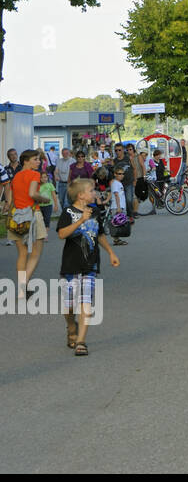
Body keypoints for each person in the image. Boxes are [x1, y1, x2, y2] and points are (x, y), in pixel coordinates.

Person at [57, 177, 120, 356]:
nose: (95, 193)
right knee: (68, 306)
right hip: (70, 265)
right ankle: (71, 327)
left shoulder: (95, 211)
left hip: (90, 264)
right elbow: (62, 234)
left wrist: (110, 252)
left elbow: (99, 235)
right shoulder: (68, 212)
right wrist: (80, 221)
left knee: (86, 302)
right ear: (81, 195)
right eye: (91, 191)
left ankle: (81, 341)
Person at [8, 150, 51, 298]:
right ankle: (22, 288)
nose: (38, 162)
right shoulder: (35, 174)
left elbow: (13, 198)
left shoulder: (16, 177)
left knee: (21, 254)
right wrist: (44, 199)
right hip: (33, 214)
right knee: (35, 254)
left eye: (38, 159)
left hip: (17, 216)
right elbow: (32, 194)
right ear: (26, 161)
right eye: (35, 159)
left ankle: (22, 289)